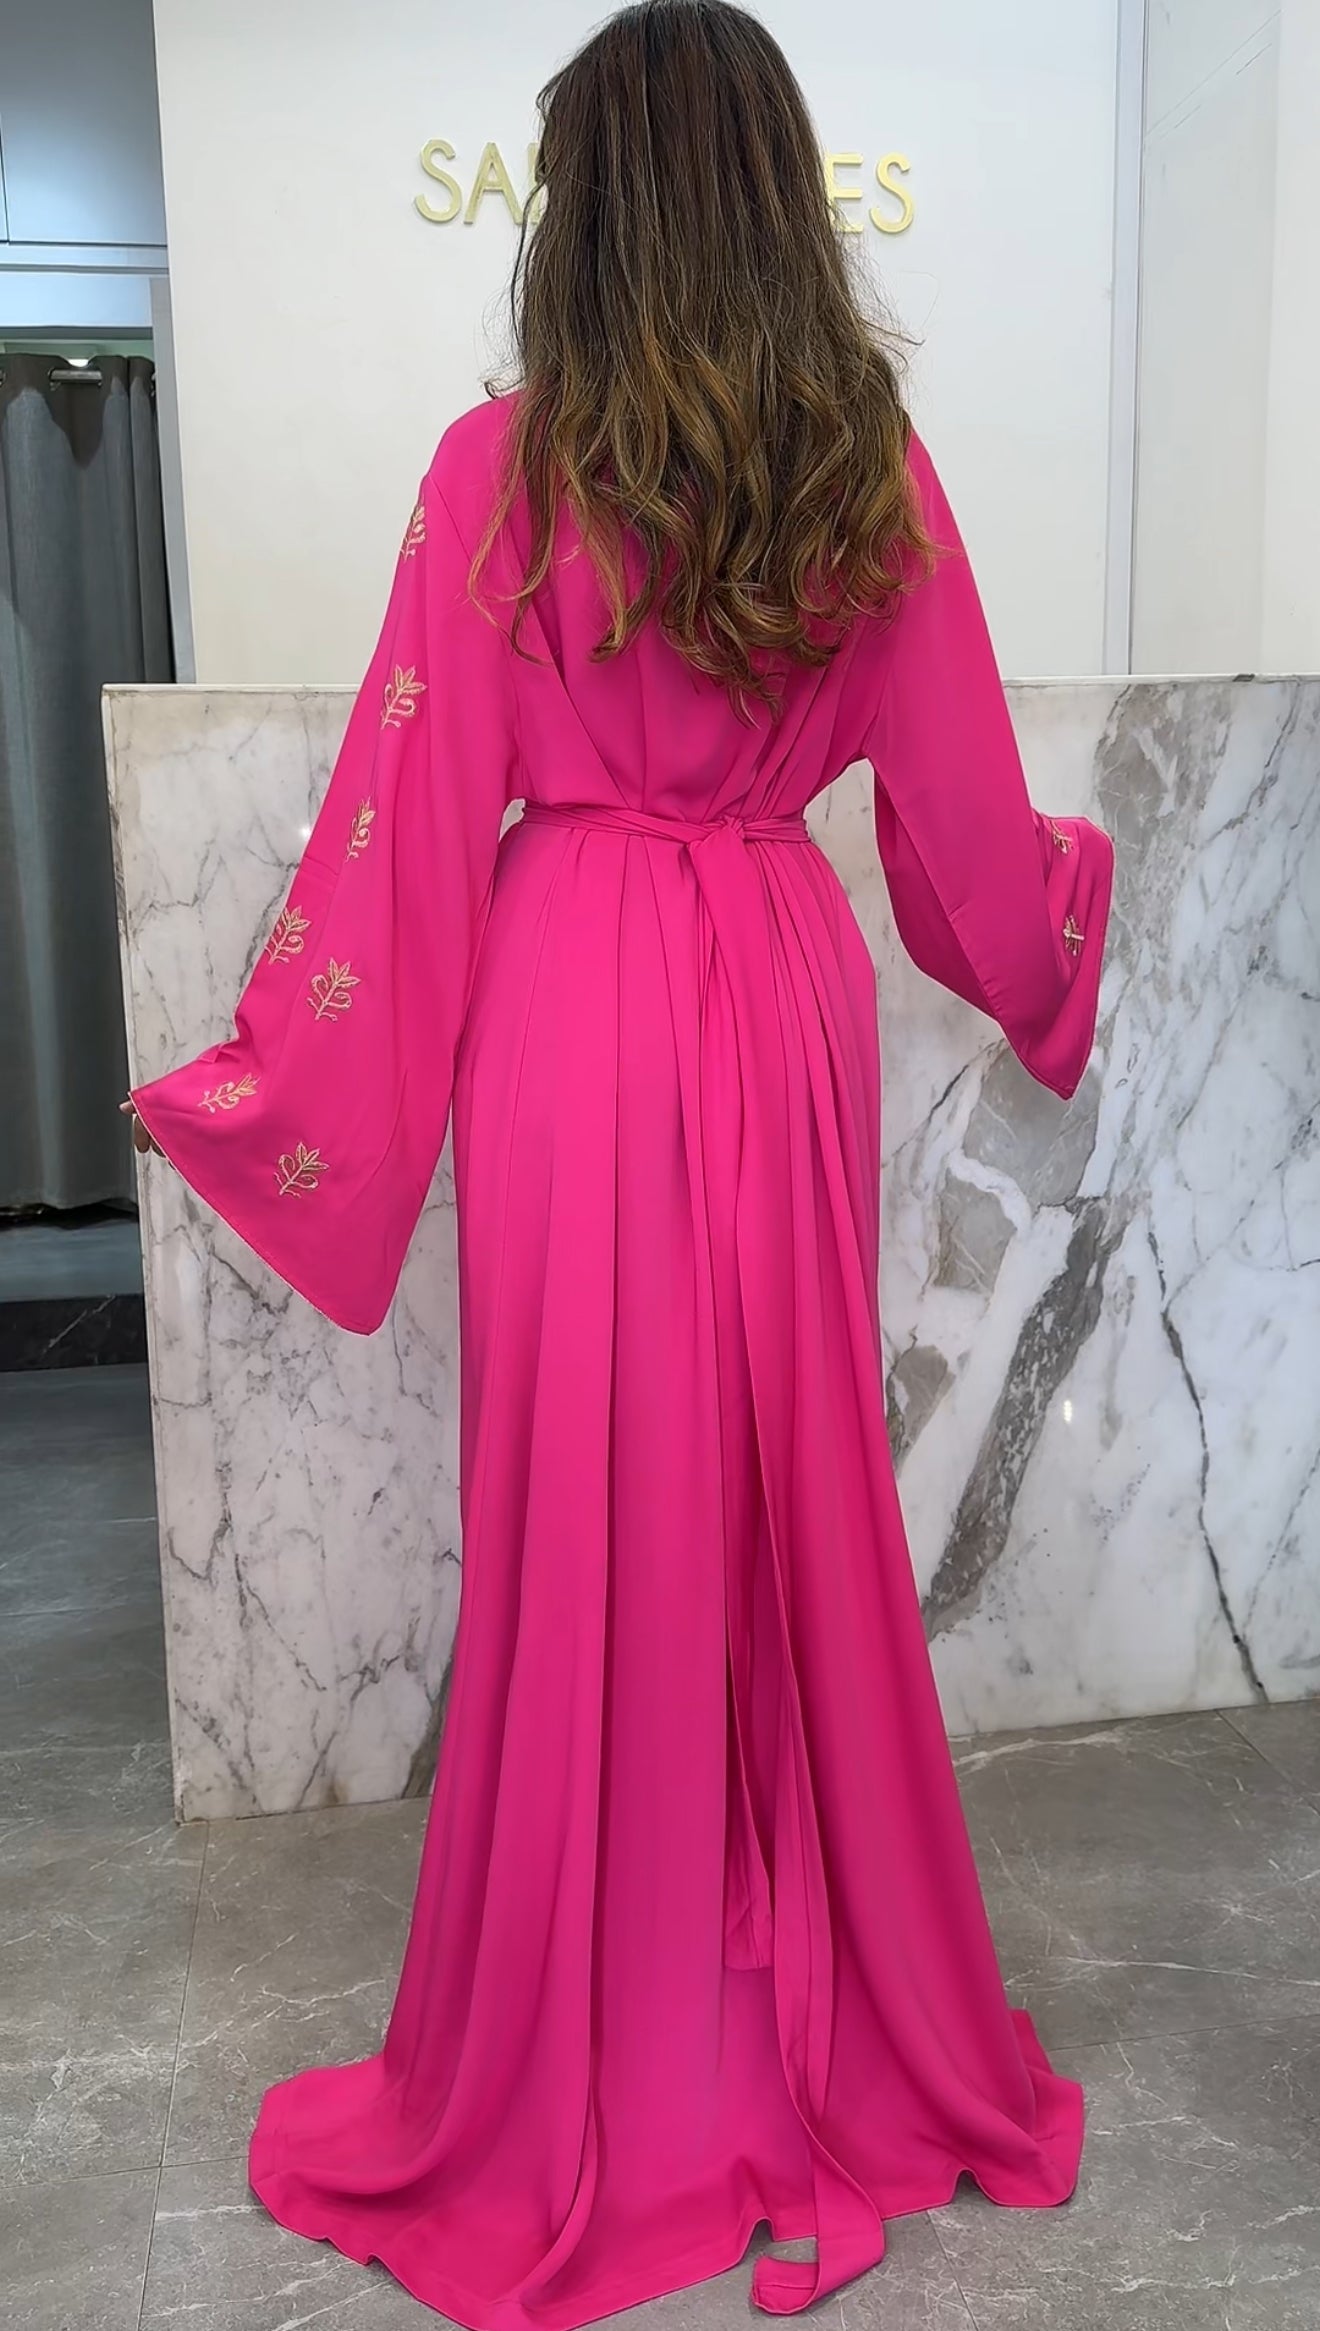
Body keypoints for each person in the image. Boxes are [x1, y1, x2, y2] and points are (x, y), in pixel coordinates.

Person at [123, 2, 1112, 2322]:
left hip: (572, 997)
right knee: (784, 1485)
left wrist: (276, 1081)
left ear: (592, 218)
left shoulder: (500, 472)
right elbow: (968, 838)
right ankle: (802, 2013)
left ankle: (614, 2037)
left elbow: (401, 831)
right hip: (775, 978)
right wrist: (1067, 913)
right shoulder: (867, 472)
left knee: (592, 1495)